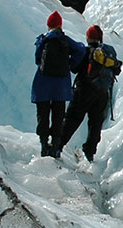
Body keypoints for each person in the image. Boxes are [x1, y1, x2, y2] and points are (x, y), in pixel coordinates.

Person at [57, 25, 122, 162]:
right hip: (102, 93)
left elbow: (74, 68)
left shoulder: (86, 52)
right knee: (95, 123)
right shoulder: (107, 53)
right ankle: (90, 152)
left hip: (84, 91)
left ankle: (58, 145)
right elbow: (117, 70)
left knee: (73, 119)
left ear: (88, 38)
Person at [30, 11, 86, 158]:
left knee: (43, 116)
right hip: (61, 86)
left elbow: (37, 59)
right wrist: (70, 64)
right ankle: (55, 147)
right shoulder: (65, 40)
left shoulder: (43, 40)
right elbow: (81, 50)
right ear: (60, 25)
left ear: (48, 25)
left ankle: (44, 146)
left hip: (42, 84)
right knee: (58, 116)